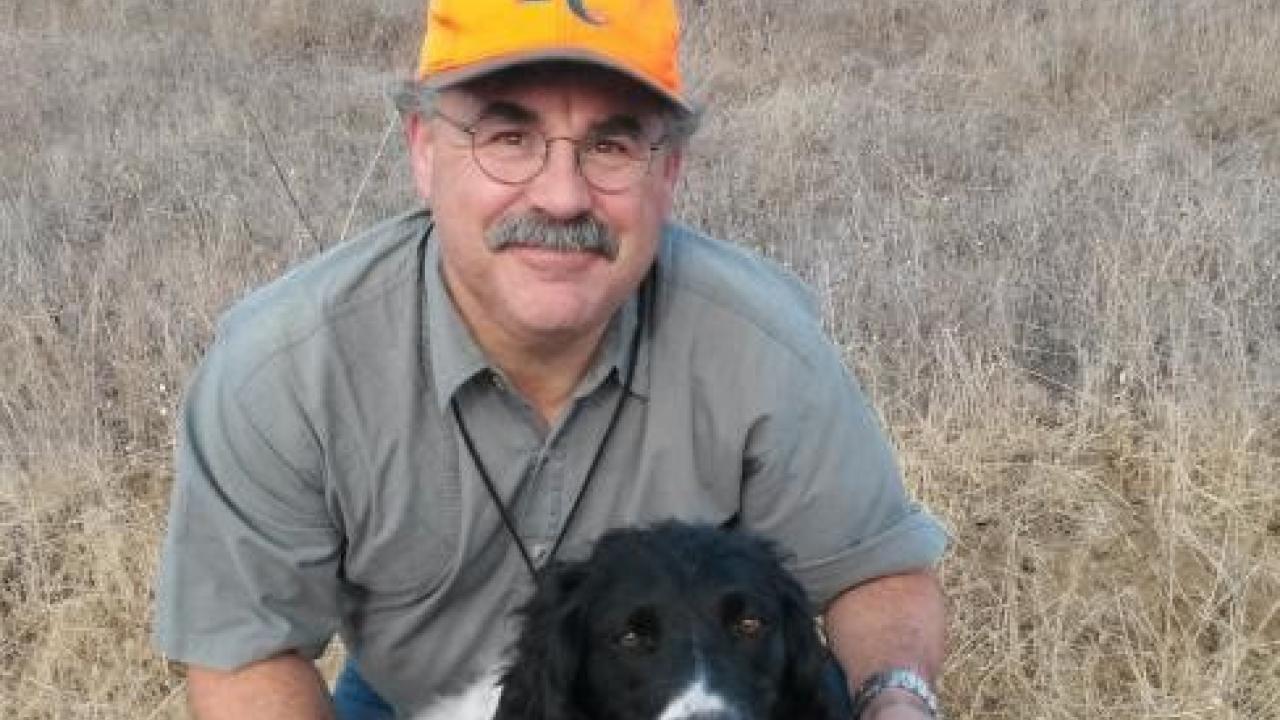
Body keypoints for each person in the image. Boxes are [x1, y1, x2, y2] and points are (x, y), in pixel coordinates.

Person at [152, 0, 950, 718]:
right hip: (412, 698)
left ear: (667, 171)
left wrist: (896, 702)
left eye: (609, 144)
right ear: (424, 150)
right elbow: (246, 655)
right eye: (510, 137)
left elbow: (873, 572)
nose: (561, 196)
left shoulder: (767, 345)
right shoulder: (280, 371)